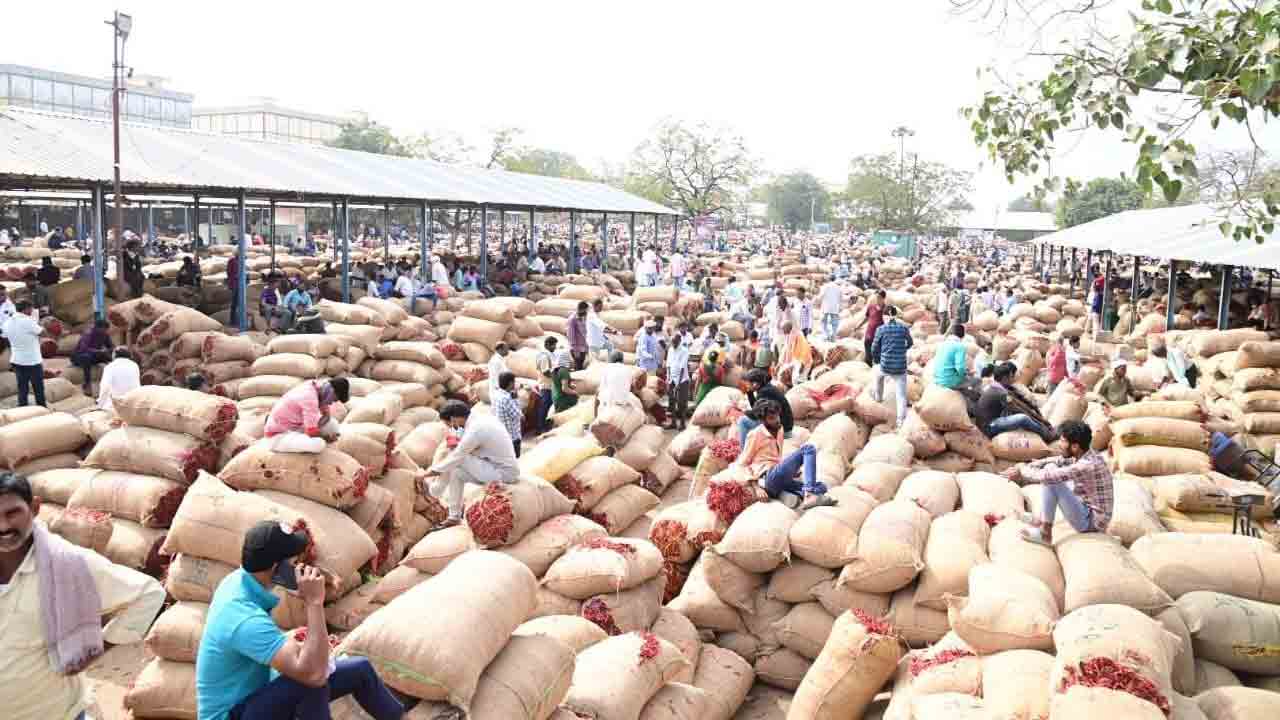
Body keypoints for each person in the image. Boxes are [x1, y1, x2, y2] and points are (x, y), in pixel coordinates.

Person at [196, 520, 404, 720]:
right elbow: (313, 674)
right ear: (277, 569)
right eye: (293, 563)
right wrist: (314, 602)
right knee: (311, 682)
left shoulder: (243, 580)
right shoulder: (243, 617)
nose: (298, 567)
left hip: (257, 699)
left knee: (360, 669)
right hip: (232, 714)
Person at [0, 472, 166, 720]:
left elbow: (149, 594)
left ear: (34, 508)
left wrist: (95, 647)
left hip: (51, 712)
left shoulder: (67, 563)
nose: (3, 526)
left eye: (12, 513)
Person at [1004, 420, 1114, 547]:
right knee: (1051, 466)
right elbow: (1058, 460)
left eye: (1063, 441)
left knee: (1052, 479)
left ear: (1075, 446)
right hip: (1085, 508)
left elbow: (1049, 477)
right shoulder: (1085, 454)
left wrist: (1022, 471)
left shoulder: (1087, 465)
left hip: (1091, 523)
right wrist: (1030, 465)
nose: (1060, 445)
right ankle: (1040, 519)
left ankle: (1045, 533)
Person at [426, 401, 520, 526]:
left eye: (449, 424)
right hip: (494, 467)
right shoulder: (478, 419)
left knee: (458, 459)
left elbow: (458, 456)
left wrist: (430, 473)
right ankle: (454, 516)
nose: (450, 427)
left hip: (502, 473)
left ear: (453, 418)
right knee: (456, 473)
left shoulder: (476, 429)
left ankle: (433, 493)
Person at [735, 400, 834, 511]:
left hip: (778, 478)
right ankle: (809, 495)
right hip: (767, 477)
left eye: (777, 416)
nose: (777, 420)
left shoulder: (780, 429)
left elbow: (777, 457)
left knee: (822, 486)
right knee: (808, 449)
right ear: (763, 420)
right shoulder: (755, 434)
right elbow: (743, 463)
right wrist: (756, 488)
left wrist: (791, 470)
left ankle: (791, 494)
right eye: (772, 418)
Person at [263, 378, 350, 454]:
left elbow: (326, 416)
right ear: (330, 392)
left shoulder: (317, 388)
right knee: (319, 444)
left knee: (332, 425)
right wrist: (325, 438)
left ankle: (303, 438)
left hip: (294, 427)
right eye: (334, 399)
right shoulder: (309, 398)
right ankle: (288, 443)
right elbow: (311, 431)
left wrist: (324, 421)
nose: (331, 403)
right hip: (278, 436)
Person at [975, 362, 1056, 442]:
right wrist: (1041, 424)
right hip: (989, 427)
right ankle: (1047, 436)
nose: (1013, 378)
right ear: (1004, 378)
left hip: (988, 423)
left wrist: (1040, 418)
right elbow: (1018, 409)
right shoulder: (1001, 393)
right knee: (1023, 418)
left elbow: (1021, 403)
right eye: (1011, 376)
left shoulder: (995, 387)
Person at [869, 306, 913, 428]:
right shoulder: (903, 328)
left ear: (885, 316)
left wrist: (877, 358)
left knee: (877, 376)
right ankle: (900, 421)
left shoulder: (881, 329)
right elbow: (910, 343)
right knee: (901, 395)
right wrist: (902, 350)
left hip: (885, 365)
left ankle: (878, 397)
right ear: (895, 316)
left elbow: (874, 348)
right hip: (900, 367)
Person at [3, 301, 45, 407]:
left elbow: (4, 336)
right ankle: (42, 409)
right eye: (31, 308)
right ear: (26, 309)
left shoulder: (7, 322)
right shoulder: (27, 321)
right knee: (38, 388)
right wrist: (36, 320)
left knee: (22, 388)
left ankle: (23, 409)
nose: (32, 311)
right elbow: (42, 333)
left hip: (17, 360)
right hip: (32, 360)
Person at [737, 368, 793, 446]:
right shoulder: (766, 388)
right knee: (748, 419)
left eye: (748, 383)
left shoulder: (765, 392)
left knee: (742, 421)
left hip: (783, 429)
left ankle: (744, 452)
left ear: (755, 384)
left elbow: (755, 415)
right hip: (783, 425)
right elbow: (756, 408)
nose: (747, 385)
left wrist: (743, 412)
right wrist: (750, 393)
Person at [71, 319, 114, 393]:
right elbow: (83, 349)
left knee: (109, 358)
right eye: (103, 330)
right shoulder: (88, 334)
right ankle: (87, 384)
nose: (105, 332)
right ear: (98, 328)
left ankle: (113, 381)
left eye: (105, 330)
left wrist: (111, 351)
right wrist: (98, 351)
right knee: (86, 357)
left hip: (94, 355)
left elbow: (110, 346)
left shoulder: (104, 334)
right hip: (79, 356)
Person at [933, 323, 977, 394]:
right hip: (949, 381)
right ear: (963, 335)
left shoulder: (942, 344)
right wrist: (966, 374)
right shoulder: (960, 346)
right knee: (977, 381)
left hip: (937, 379)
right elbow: (960, 368)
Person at [96, 346, 141, 412]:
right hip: (132, 404)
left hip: (115, 405)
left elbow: (105, 387)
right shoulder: (135, 365)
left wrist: (100, 404)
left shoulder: (110, 367)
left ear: (114, 355)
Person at [491, 371, 524, 457]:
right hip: (512, 436)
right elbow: (518, 415)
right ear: (510, 383)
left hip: (502, 434)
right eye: (514, 382)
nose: (515, 384)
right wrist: (516, 399)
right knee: (515, 460)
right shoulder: (507, 399)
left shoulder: (497, 394)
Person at [665, 330, 692, 430]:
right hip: (672, 378)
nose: (674, 344)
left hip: (682, 380)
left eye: (675, 342)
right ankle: (673, 422)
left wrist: (679, 383)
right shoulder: (671, 350)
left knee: (682, 402)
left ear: (679, 341)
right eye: (672, 342)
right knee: (672, 401)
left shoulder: (684, 351)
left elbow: (682, 367)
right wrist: (668, 379)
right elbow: (668, 365)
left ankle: (682, 423)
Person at [534, 337, 557, 433]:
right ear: (547, 345)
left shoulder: (549, 355)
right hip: (546, 385)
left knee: (547, 406)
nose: (554, 347)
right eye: (553, 345)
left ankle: (543, 425)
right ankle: (540, 427)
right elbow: (546, 371)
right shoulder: (544, 356)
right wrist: (556, 377)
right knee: (544, 406)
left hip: (549, 385)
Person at [858, 290, 887, 363]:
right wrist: (858, 326)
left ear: (884, 299)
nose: (878, 299)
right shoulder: (871, 307)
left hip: (879, 336)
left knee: (878, 357)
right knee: (868, 356)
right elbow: (866, 318)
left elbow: (888, 319)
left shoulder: (886, 309)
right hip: (869, 334)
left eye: (879, 298)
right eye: (877, 297)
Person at [550, 343, 580, 414]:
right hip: (563, 400)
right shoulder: (564, 371)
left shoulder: (554, 369)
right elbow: (564, 389)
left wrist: (570, 384)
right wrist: (576, 393)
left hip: (555, 396)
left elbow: (558, 382)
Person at [817, 275, 842, 340]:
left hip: (826, 306)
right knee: (834, 323)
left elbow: (821, 295)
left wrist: (816, 300)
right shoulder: (838, 287)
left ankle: (826, 335)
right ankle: (833, 336)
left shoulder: (825, 286)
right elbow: (841, 297)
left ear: (829, 279)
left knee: (824, 321)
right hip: (835, 307)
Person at [225, 251, 241, 321]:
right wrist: (235, 276)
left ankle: (236, 317)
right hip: (234, 284)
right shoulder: (232, 261)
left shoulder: (241, 261)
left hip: (239, 284)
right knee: (234, 303)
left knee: (238, 302)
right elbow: (229, 272)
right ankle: (233, 319)